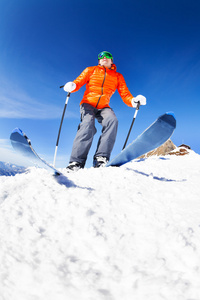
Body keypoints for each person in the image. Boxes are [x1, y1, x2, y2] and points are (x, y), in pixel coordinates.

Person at [63, 51, 146, 171]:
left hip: (103, 106)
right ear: (98, 61)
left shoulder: (117, 76)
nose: (104, 58)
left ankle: (101, 158)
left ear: (112, 61)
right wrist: (72, 86)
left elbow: (125, 94)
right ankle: (76, 162)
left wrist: (133, 101)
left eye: (107, 56)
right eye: (101, 56)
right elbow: (78, 81)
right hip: (88, 104)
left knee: (112, 121)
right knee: (87, 125)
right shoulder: (90, 70)